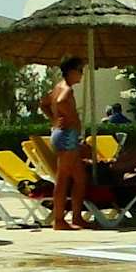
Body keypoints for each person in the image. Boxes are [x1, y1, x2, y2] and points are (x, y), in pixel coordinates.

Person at [42, 56, 90, 230]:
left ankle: (76, 217)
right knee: (63, 178)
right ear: (71, 72)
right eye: (80, 71)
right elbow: (61, 101)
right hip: (67, 135)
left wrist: (54, 119)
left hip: (63, 133)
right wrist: (71, 119)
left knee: (80, 178)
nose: (82, 74)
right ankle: (59, 220)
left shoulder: (57, 88)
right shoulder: (66, 90)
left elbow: (44, 104)